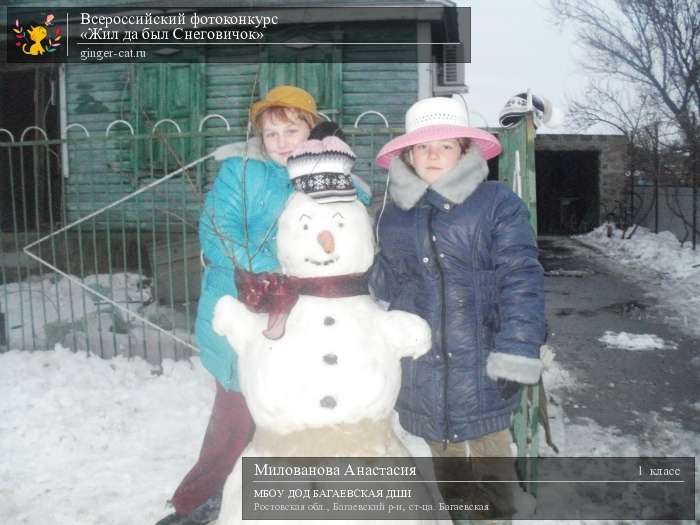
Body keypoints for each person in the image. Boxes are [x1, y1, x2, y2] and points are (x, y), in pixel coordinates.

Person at [157, 86, 369, 525]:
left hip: (305, 317)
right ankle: (197, 502)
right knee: (234, 416)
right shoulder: (240, 171)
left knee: (294, 411)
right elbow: (218, 231)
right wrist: (273, 271)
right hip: (239, 304)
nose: (282, 140)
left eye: (292, 129)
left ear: (311, 128)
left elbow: (346, 231)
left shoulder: (325, 175)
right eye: (271, 132)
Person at [370, 96, 545, 520]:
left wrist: (517, 348)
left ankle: (496, 515)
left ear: (464, 151)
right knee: (446, 461)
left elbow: (521, 277)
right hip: (424, 367)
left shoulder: (496, 204)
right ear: (408, 154)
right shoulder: (393, 213)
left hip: (482, 360)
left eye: (446, 145)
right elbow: (387, 286)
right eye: (423, 147)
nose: (433, 155)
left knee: (491, 459)